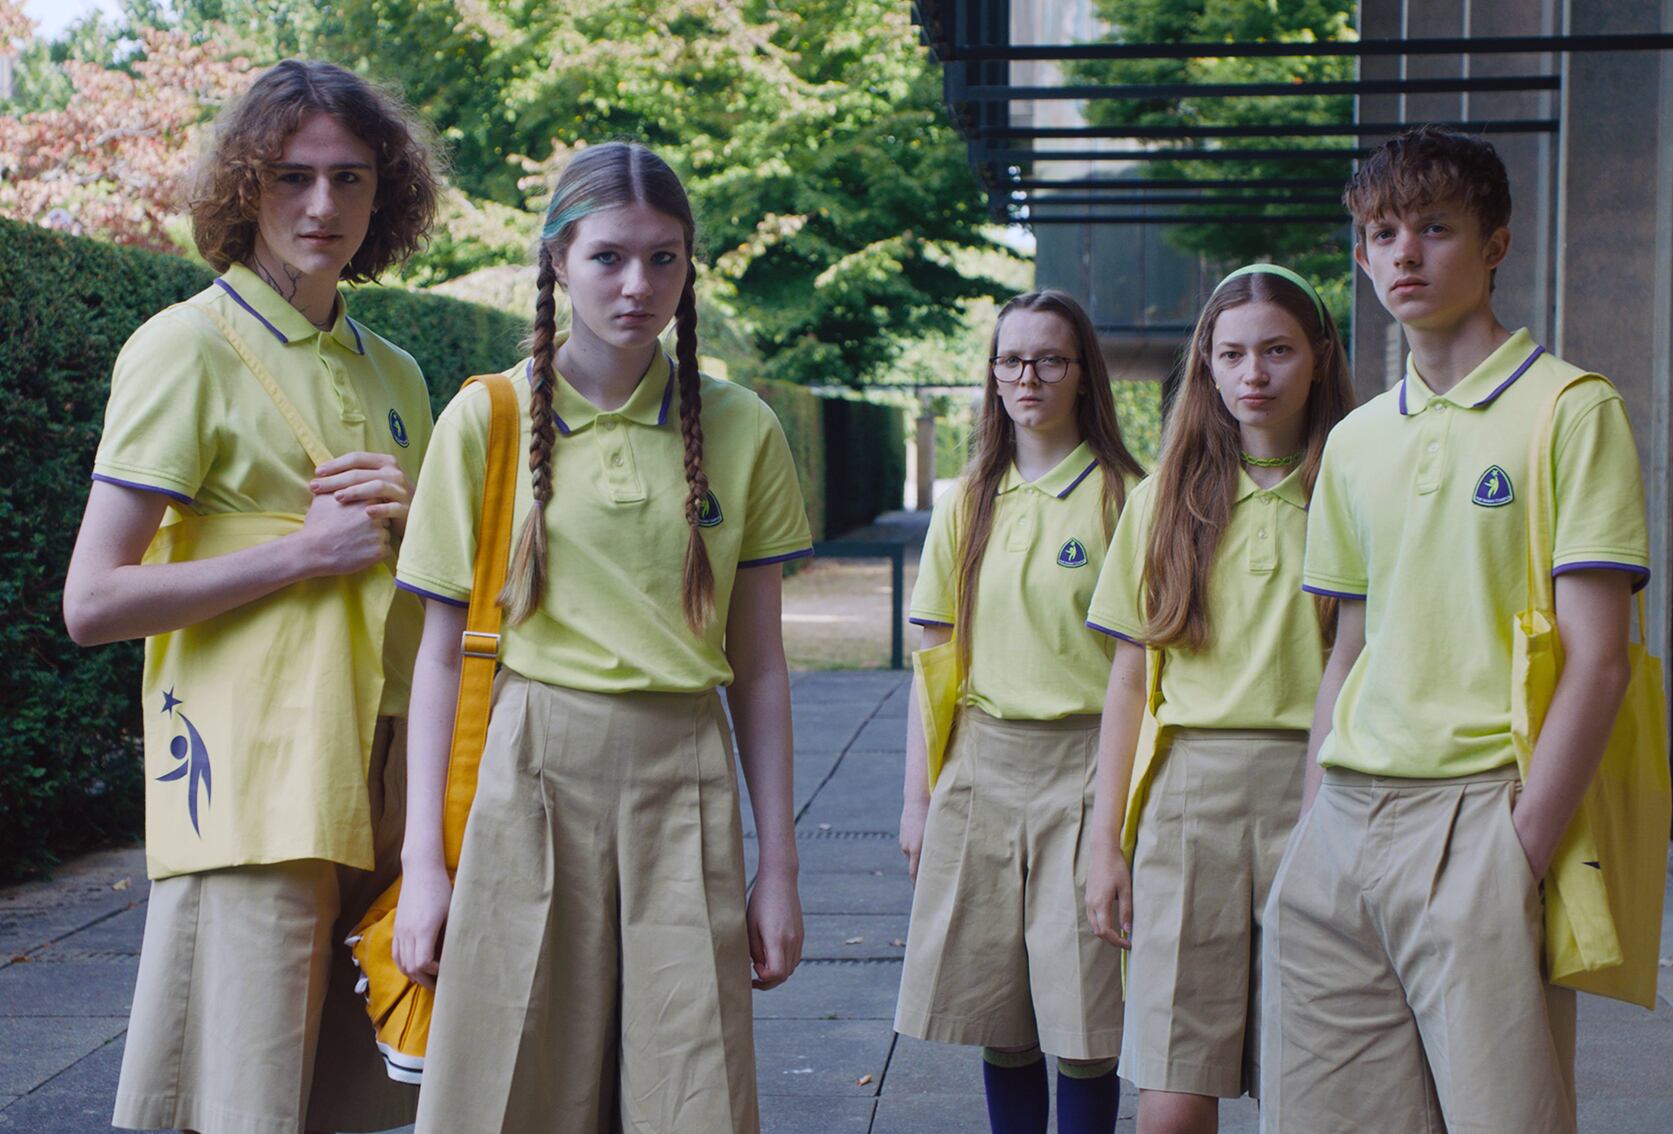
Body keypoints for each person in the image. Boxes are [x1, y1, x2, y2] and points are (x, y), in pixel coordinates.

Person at [391, 140, 812, 1134]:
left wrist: (781, 865)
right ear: (557, 261)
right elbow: (441, 655)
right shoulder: (486, 420)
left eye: (665, 258)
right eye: (610, 258)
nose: (639, 285)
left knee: (691, 1081)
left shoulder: (744, 427)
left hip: (685, 771)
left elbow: (760, 671)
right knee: (516, 1076)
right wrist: (423, 865)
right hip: (533, 771)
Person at [61, 59, 444, 1134]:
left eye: (352, 179)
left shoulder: (399, 373)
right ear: (242, 188)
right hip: (249, 784)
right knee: (239, 1098)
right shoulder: (184, 348)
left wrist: (416, 519)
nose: (323, 206)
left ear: (388, 194)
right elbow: (92, 601)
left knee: (360, 1097)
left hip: (385, 776)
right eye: (291, 177)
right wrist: (299, 554)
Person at [1262, 126, 1650, 1132]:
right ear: (1359, 252)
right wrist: (1314, 815)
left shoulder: (1570, 410)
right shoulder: (1351, 441)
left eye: (1436, 228)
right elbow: (1348, 646)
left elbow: (1601, 661)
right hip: (1341, 824)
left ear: (1496, 244)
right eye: (1383, 232)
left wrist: (1521, 849)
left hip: (1482, 815)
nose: (1405, 253)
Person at [1083, 265, 1353, 1134]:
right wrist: (1104, 843)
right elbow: (1128, 677)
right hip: (1189, 794)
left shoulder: (1357, 482)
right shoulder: (1165, 494)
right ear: (1205, 362)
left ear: (1317, 355)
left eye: (1276, 350)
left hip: (1325, 787)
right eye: (1231, 353)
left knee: (1316, 1079)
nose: (1253, 374)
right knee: (1171, 1080)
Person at [895, 290, 1145, 1134]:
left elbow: (1145, 673)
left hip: (1084, 772)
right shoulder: (969, 499)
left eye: (1048, 360)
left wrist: (1124, 819)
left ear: (1082, 375)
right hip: (981, 767)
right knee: (997, 1021)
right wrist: (917, 799)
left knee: (1083, 1028)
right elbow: (933, 663)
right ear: (992, 376)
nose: (1026, 376)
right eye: (1010, 360)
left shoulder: (1124, 497)